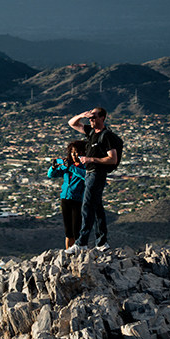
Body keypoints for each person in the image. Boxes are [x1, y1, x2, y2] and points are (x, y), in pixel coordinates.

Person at [66, 107, 124, 252]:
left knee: (87, 207)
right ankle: (101, 242)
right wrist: (81, 115)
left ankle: (81, 243)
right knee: (97, 208)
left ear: (102, 118)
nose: (91, 120)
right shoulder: (91, 132)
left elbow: (113, 159)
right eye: (90, 118)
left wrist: (91, 159)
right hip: (90, 173)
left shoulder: (106, 136)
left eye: (94, 117)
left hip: (97, 173)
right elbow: (72, 123)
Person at [48, 140, 87, 249]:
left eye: (77, 152)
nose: (75, 155)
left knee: (76, 229)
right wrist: (54, 167)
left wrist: (70, 167)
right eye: (72, 152)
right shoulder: (66, 167)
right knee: (68, 230)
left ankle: (78, 250)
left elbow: (85, 176)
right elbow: (51, 175)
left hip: (77, 200)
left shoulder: (84, 167)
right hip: (65, 199)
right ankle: (68, 252)